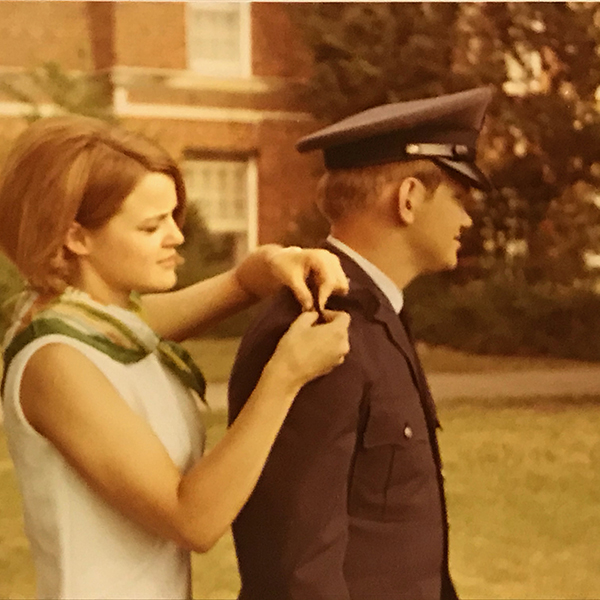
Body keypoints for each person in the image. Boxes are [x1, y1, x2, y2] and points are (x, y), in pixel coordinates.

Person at [0, 115, 351, 600]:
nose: (176, 237)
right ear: (75, 237)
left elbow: (239, 283)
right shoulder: (57, 361)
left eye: (173, 217)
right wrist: (286, 375)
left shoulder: (108, 323)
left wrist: (279, 261)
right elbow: (194, 519)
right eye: (150, 226)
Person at [228, 86, 494, 600]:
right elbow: (297, 564)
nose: (467, 219)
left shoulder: (375, 311)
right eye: (458, 197)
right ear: (409, 198)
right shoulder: (322, 320)